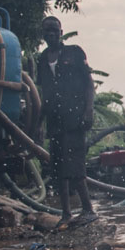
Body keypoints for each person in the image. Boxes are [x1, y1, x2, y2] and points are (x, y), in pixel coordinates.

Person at [35, 16, 96, 229]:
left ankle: (88, 210)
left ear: (61, 32)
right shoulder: (42, 59)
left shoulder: (74, 53)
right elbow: (45, 94)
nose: (51, 34)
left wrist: (88, 111)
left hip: (75, 118)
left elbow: (89, 84)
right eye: (47, 31)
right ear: (43, 35)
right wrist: (39, 123)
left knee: (75, 164)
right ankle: (66, 213)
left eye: (54, 30)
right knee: (58, 167)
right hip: (55, 121)